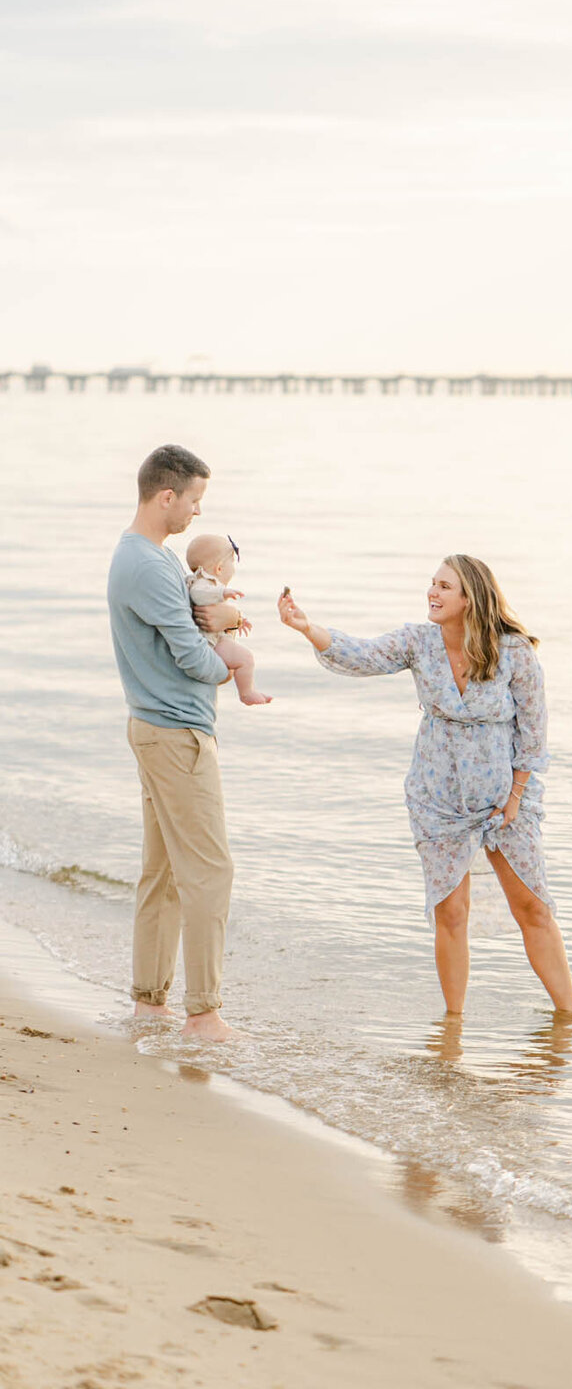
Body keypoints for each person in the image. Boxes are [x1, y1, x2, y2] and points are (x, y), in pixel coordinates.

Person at [277, 556, 572, 1017]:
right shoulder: (419, 642)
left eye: (445, 587)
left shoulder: (513, 651)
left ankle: (568, 1019)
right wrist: (306, 627)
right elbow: (362, 655)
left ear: (470, 597)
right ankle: (452, 1027)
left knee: (532, 908)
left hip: (504, 803)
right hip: (437, 801)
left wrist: (515, 798)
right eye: (432, 584)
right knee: (450, 914)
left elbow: (534, 735)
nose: (432, 593)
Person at [106, 444, 241, 1041]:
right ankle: (204, 1014)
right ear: (168, 496)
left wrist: (212, 625)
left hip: (153, 726)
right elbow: (191, 656)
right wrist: (231, 653)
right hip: (176, 732)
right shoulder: (152, 565)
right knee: (210, 870)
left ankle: (149, 1004)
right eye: (194, 501)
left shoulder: (138, 556)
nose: (195, 515)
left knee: (161, 871)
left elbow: (182, 637)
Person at [185, 533, 271, 706]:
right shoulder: (204, 582)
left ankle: (246, 691)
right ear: (219, 568)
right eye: (232, 561)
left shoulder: (210, 585)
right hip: (211, 642)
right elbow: (199, 595)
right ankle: (246, 693)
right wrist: (222, 593)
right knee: (245, 658)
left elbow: (218, 612)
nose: (234, 567)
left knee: (242, 659)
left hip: (216, 638)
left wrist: (237, 620)